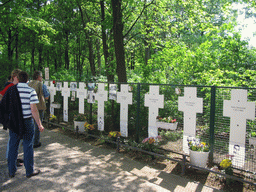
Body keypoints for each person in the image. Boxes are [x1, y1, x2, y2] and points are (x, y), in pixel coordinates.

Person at [0, 71, 44, 178]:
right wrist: (39, 124)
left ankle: (11, 171)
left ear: (18, 79)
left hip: (14, 122)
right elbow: (33, 110)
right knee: (28, 146)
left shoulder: (11, 90)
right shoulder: (31, 91)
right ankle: (29, 171)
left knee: (13, 146)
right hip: (27, 121)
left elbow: (3, 105)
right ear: (27, 80)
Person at [28, 71, 49, 148]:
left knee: (30, 124)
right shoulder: (42, 85)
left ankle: (28, 141)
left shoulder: (28, 84)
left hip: (29, 106)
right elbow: (46, 97)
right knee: (38, 124)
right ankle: (36, 142)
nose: (42, 78)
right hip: (38, 106)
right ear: (38, 77)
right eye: (41, 76)